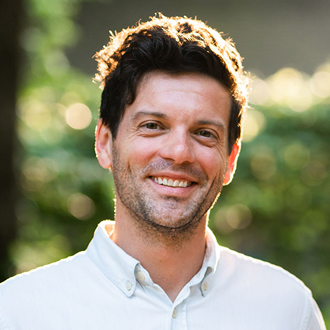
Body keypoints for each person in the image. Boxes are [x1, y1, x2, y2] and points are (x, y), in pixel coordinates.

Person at [0, 13, 326, 330]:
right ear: (104, 143)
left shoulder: (288, 310)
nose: (179, 153)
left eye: (204, 133)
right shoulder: (19, 313)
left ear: (230, 159)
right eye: (153, 126)